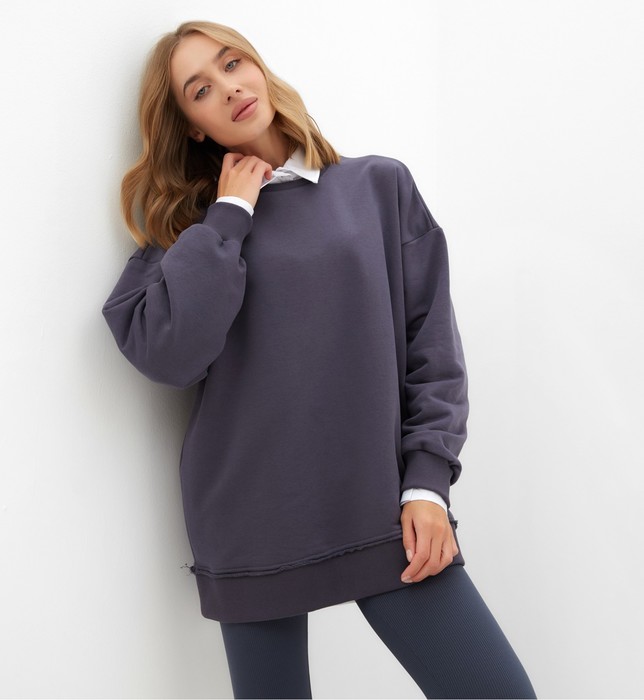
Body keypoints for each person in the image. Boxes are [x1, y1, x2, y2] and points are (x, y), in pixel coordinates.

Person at [102, 19, 537, 700]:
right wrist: (230, 213)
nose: (229, 88)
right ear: (191, 127)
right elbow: (169, 355)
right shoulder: (194, 233)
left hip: (381, 506)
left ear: (258, 67)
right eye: (200, 89)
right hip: (250, 522)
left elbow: (432, 350)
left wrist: (427, 484)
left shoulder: (378, 187)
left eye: (232, 63)